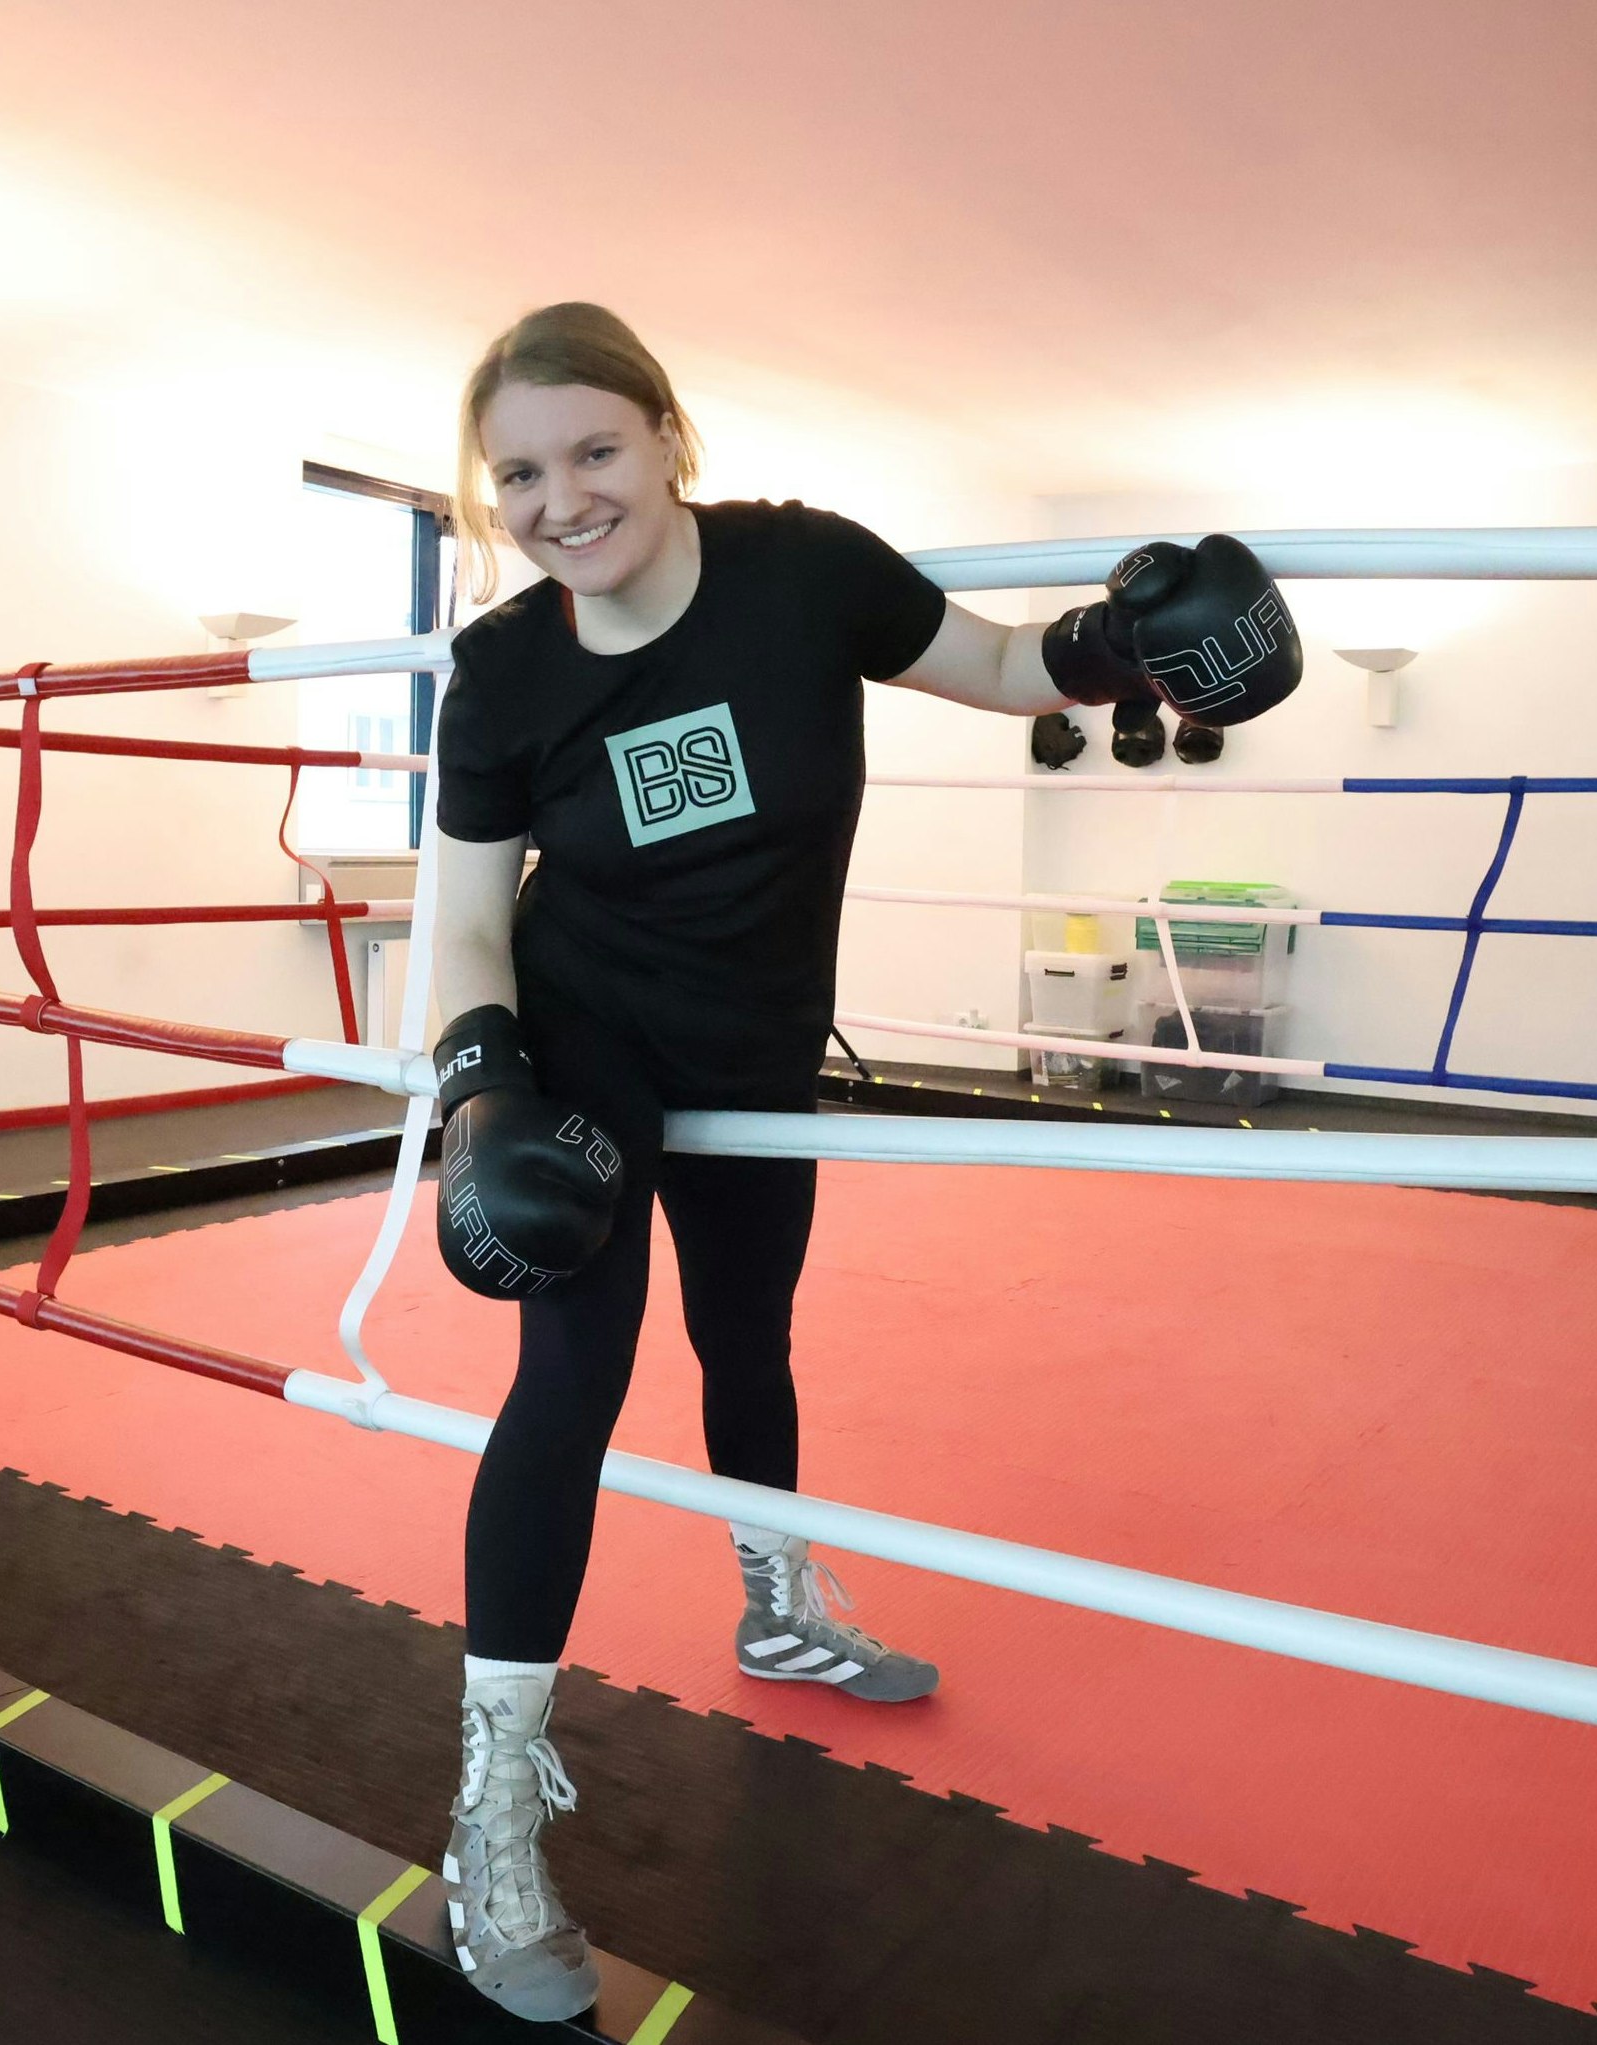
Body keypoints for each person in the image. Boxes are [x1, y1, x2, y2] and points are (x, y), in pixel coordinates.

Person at [421, 301, 1301, 2021]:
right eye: (518, 475)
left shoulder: (804, 573)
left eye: (593, 450)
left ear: (668, 438)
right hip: (586, 1040)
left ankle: (777, 1609)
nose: (560, 500)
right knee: (572, 1375)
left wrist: (1132, 644)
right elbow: (462, 920)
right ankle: (494, 1803)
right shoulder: (509, 668)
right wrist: (485, 1095)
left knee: (749, 1336)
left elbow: (1005, 670)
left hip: (757, 1043)